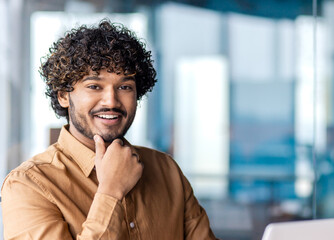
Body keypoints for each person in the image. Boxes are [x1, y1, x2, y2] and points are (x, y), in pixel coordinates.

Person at [1, 19, 218, 239]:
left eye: (124, 87)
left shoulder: (167, 170)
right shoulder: (28, 184)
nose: (111, 101)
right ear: (64, 95)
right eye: (94, 86)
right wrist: (110, 192)